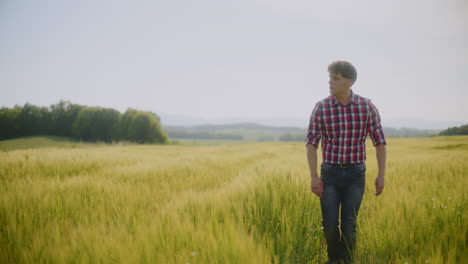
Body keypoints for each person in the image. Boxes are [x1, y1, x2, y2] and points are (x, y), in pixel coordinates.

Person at [306, 61, 387, 264]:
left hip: (355, 176)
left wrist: (381, 174)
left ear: (349, 81)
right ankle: (334, 259)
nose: (330, 82)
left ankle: (347, 261)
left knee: (349, 225)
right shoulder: (321, 108)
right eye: (330, 78)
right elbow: (311, 144)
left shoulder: (367, 107)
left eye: (335, 78)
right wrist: (314, 177)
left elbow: (380, 143)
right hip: (330, 175)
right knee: (330, 224)